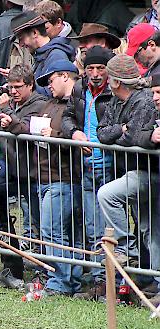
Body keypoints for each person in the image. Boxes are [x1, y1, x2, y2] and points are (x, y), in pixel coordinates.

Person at [0, 64, 47, 279]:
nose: (13, 91)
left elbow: (26, 129)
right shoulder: (11, 103)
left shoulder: (40, 104)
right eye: (10, 87)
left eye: (18, 87)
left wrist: (6, 110)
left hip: (34, 171)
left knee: (39, 225)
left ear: (30, 85)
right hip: (9, 166)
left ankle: (44, 272)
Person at [61, 46, 115, 300]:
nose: (95, 73)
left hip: (111, 165)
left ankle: (113, 282)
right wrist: (75, 133)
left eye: (100, 68)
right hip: (85, 165)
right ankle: (97, 280)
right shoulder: (80, 89)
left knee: (112, 229)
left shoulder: (115, 92)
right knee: (93, 226)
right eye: (91, 68)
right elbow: (67, 117)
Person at [97, 54, 156, 270]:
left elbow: (131, 137)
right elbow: (102, 133)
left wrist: (122, 133)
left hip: (147, 170)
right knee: (146, 227)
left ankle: (125, 250)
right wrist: (121, 129)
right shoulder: (115, 100)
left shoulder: (143, 100)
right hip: (128, 170)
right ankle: (144, 272)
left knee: (108, 196)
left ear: (117, 81)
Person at [34, 60, 83, 296]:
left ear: (65, 76)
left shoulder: (77, 105)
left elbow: (78, 138)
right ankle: (68, 280)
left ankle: (60, 282)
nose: (48, 86)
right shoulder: (50, 104)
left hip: (63, 177)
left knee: (53, 232)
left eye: (51, 80)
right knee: (58, 231)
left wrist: (54, 135)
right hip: (46, 177)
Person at [132, 73, 160, 306]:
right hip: (154, 180)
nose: (155, 97)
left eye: (159, 92)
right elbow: (135, 134)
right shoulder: (152, 111)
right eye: (153, 92)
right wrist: (151, 136)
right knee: (150, 231)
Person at [11, 11, 75, 97]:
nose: (21, 44)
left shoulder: (56, 56)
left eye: (21, 39)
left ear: (34, 33)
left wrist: (24, 84)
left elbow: (53, 93)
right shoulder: (40, 55)